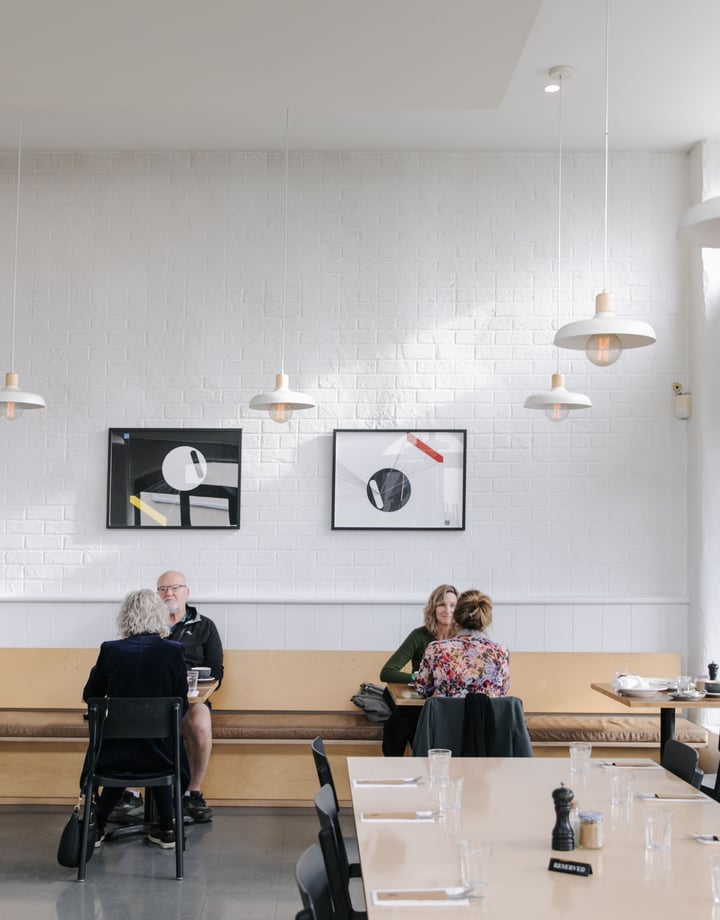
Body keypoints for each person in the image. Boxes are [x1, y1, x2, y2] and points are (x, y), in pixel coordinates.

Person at [110, 570, 223, 825]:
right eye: (162, 589)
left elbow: (217, 671)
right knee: (139, 719)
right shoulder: (144, 624)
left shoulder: (204, 626)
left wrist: (194, 684)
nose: (168, 593)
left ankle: (190, 793)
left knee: (200, 725)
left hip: (191, 700)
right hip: (151, 701)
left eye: (174, 587)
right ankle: (132, 794)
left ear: (186, 592)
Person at [82, 589, 190, 849]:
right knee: (158, 746)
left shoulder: (111, 650)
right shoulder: (174, 651)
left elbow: (91, 696)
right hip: (162, 757)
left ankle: (97, 826)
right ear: (158, 616)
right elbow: (181, 704)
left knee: (128, 749)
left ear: (125, 617)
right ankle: (167, 827)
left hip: (115, 757)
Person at [378, 584, 458, 755]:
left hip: (451, 704)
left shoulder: (462, 639)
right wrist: (417, 678)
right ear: (433, 608)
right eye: (442, 604)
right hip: (421, 704)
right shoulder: (419, 636)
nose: (447, 610)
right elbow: (387, 672)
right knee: (401, 723)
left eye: (452, 605)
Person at [414, 588, 509, 698]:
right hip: (486, 715)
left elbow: (421, 688)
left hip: (445, 714)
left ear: (456, 617)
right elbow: (502, 690)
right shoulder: (501, 651)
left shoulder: (436, 649)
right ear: (485, 620)